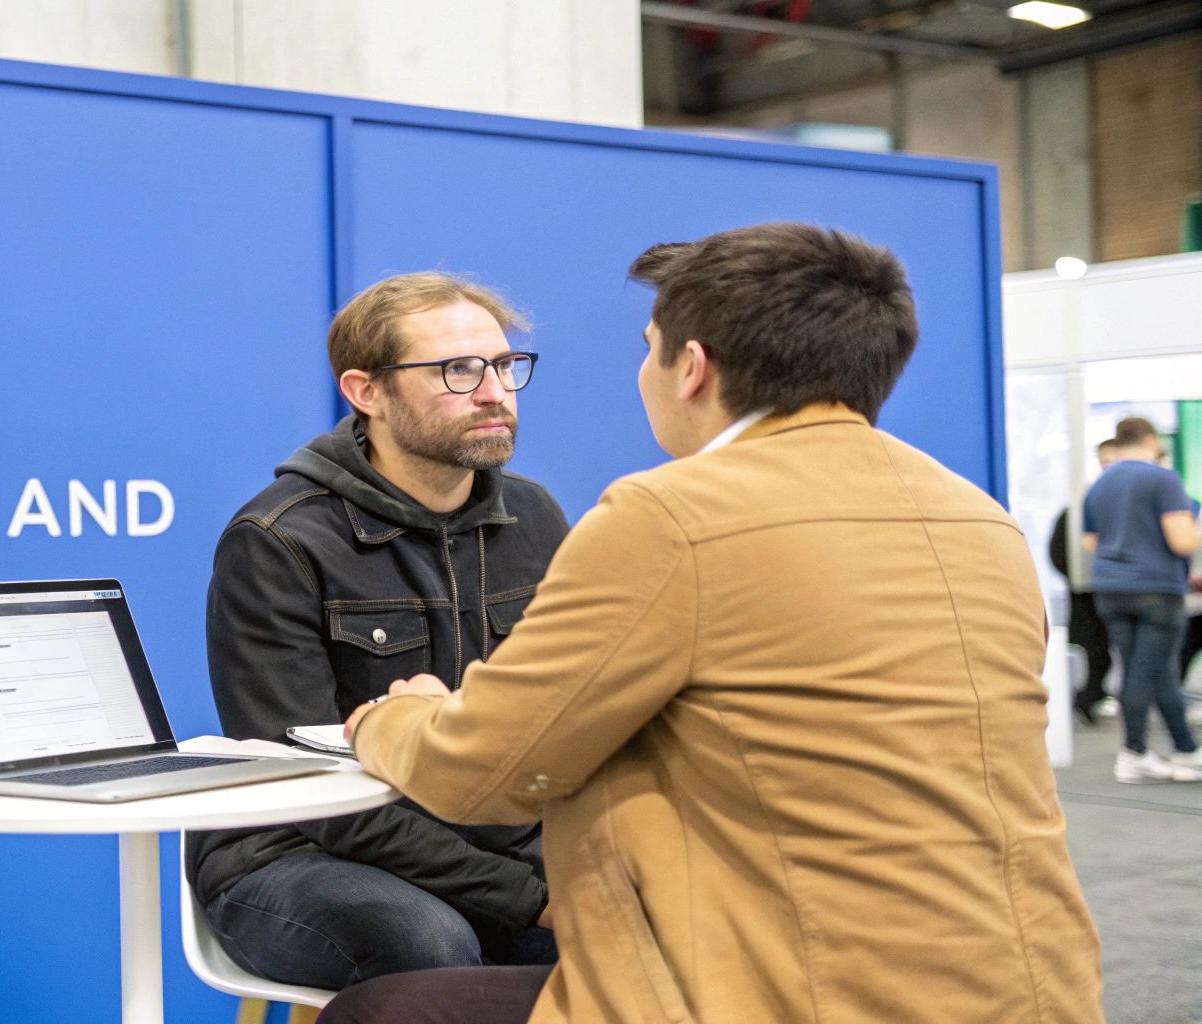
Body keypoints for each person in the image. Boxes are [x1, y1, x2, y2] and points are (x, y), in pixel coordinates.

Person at [324, 223, 1103, 1024]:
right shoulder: (981, 520)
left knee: (380, 1014)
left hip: (803, 993)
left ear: (691, 367)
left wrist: (396, 718)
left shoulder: (673, 516)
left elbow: (484, 770)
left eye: (649, 349)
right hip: (1035, 989)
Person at [187, 271, 570, 990]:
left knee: (668, 917)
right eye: (459, 371)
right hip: (298, 851)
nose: (495, 392)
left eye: (504, 365)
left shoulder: (534, 516)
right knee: (424, 940)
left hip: (491, 839)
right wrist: (530, 898)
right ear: (366, 392)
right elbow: (304, 791)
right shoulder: (279, 539)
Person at [1083, 416, 1202, 783]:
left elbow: (1090, 541)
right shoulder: (1162, 479)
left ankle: (1185, 748)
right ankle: (1133, 752)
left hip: (1111, 589)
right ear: (1151, 440)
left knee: (1153, 668)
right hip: (1156, 589)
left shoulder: (1100, 484)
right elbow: (1182, 541)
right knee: (1145, 671)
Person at [1050, 439, 1120, 723]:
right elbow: (1059, 552)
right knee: (1097, 652)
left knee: (1105, 654)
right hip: (1087, 597)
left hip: (1108, 593)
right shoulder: (1079, 511)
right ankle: (1088, 698)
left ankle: (1092, 697)